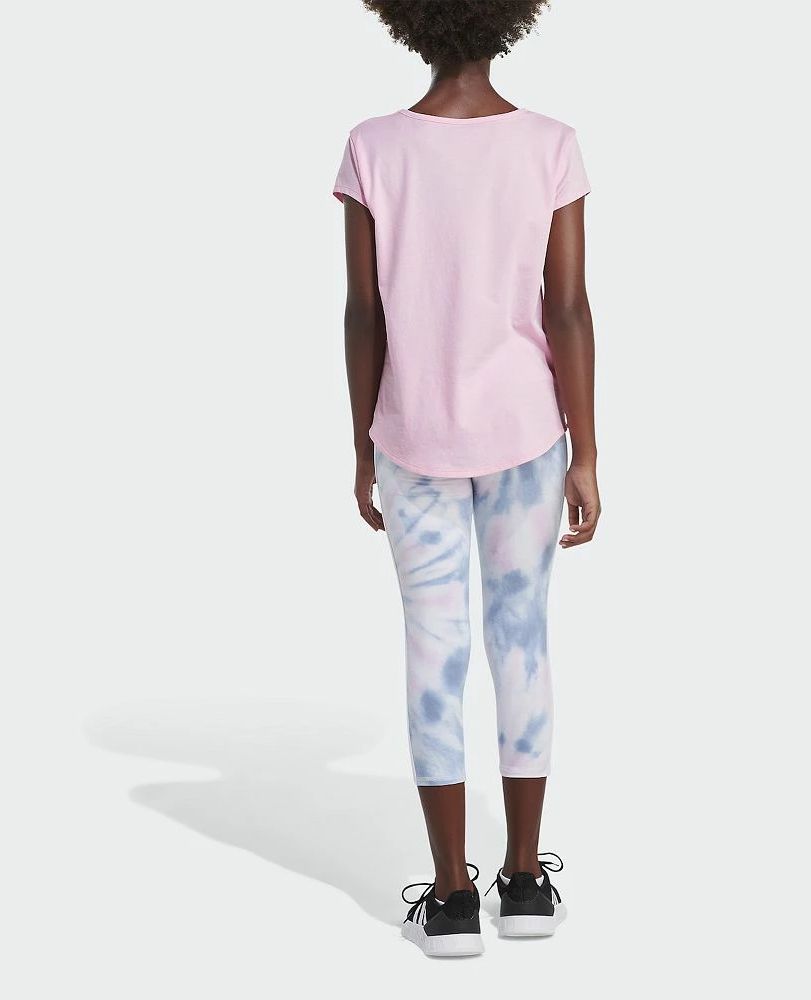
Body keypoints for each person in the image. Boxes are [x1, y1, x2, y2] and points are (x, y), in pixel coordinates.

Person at [332, 1, 600, 957]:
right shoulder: (550, 145)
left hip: (412, 434)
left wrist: (362, 444)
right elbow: (566, 308)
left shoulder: (372, 147)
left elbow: (364, 312)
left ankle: (450, 897)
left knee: (433, 651)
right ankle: (523, 882)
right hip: (527, 434)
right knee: (521, 641)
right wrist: (587, 449)